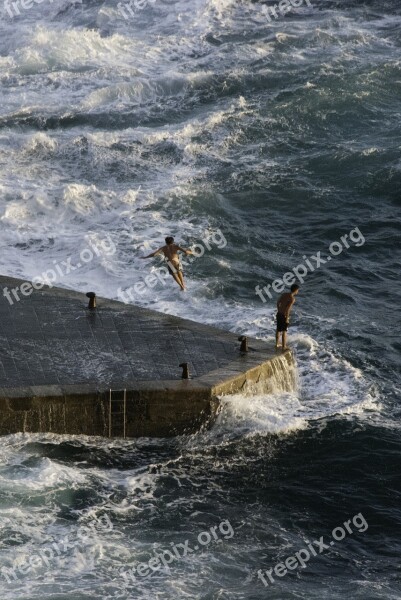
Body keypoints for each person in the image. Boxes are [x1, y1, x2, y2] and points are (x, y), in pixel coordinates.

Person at [275, 283, 300, 350]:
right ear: (295, 290)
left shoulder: (284, 294)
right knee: (284, 331)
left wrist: (279, 310)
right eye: (298, 290)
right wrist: (287, 318)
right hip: (284, 315)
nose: (298, 291)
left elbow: (278, 302)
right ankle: (284, 346)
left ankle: (276, 344)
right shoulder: (292, 299)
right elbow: (288, 309)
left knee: (278, 329)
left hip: (279, 313)